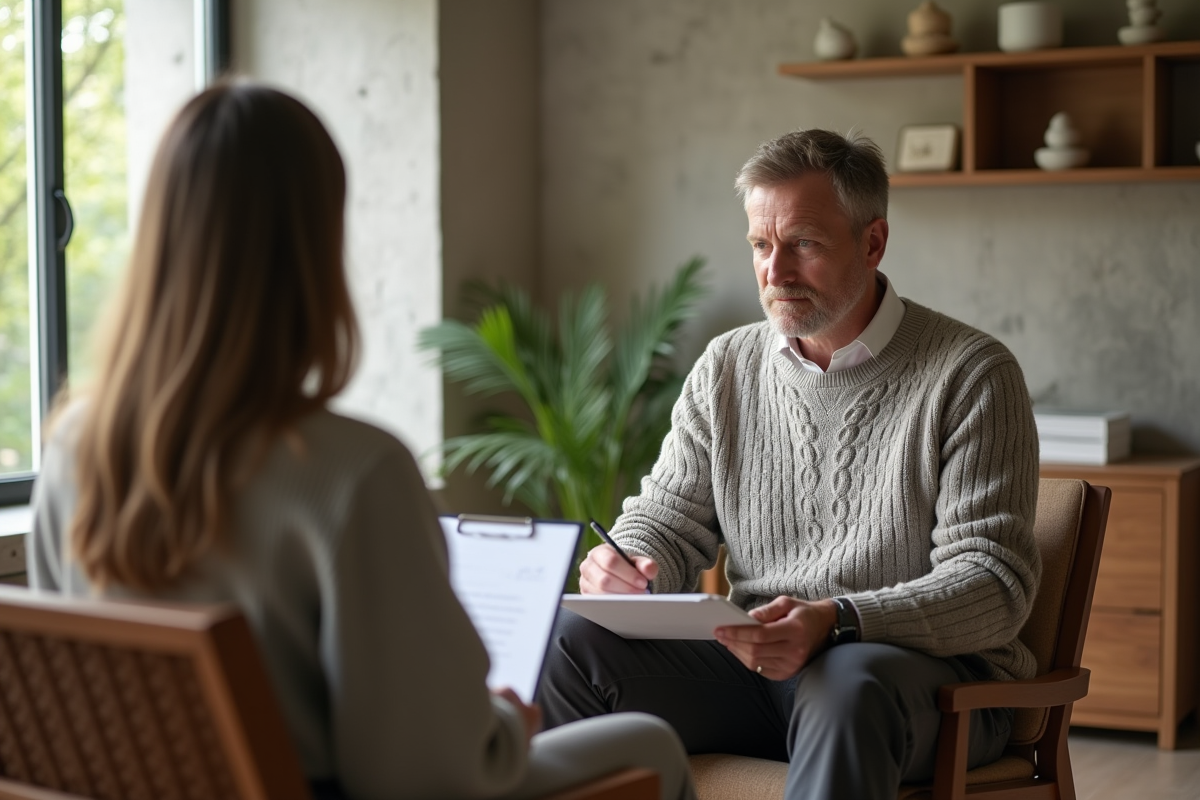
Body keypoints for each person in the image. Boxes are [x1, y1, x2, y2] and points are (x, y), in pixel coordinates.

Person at [28, 82, 696, 800]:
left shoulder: (74, 449)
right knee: (652, 743)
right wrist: (502, 723)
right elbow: (426, 774)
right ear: (312, 248)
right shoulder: (352, 472)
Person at [537, 129, 1042, 800]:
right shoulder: (727, 365)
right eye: (759, 245)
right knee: (570, 643)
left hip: (929, 684)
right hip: (758, 668)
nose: (775, 273)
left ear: (872, 242)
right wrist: (628, 562)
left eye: (802, 243)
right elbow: (668, 517)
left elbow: (993, 586)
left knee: (848, 683)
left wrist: (838, 617)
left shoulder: (971, 373)